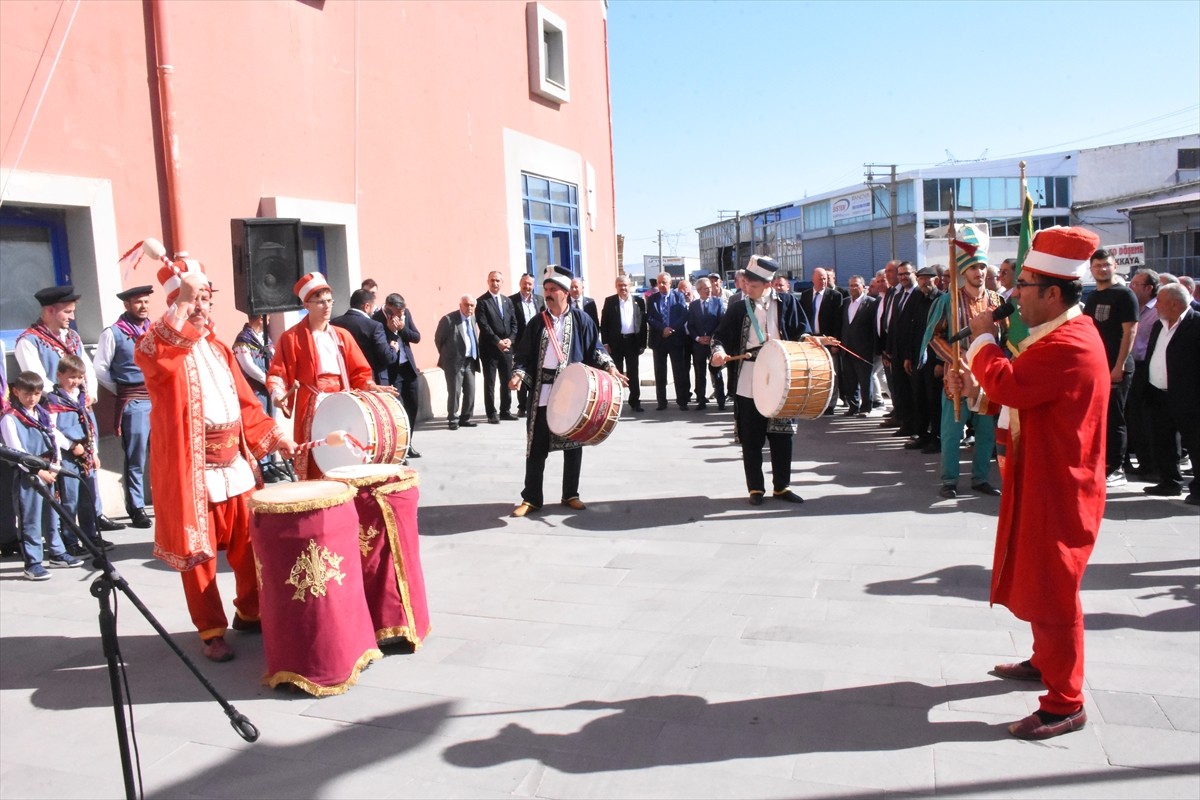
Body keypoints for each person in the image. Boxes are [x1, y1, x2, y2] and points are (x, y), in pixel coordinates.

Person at [948, 225, 1107, 740]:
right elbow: (1022, 396)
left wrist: (982, 339)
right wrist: (977, 388)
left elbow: (1012, 383)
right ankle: (1045, 661)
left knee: (1055, 589)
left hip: (1060, 486)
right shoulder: (1059, 336)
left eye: (1024, 287)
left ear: (1054, 293)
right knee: (1039, 576)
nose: (1014, 297)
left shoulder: (1070, 342)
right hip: (1042, 474)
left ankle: (1065, 702)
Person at [136, 267, 296, 661]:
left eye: (206, 300)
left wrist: (278, 437)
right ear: (176, 305)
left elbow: (246, 405)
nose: (201, 307)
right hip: (194, 471)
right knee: (200, 556)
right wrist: (183, 299)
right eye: (193, 301)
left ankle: (251, 612)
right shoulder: (160, 348)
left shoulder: (221, 350)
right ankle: (211, 631)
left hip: (235, 466)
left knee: (250, 545)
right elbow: (156, 355)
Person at [507, 265, 625, 517]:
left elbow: (596, 350)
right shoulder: (537, 323)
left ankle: (570, 493)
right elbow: (523, 356)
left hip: (572, 392)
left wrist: (611, 368)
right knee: (536, 447)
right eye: (546, 289)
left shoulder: (582, 320)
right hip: (542, 392)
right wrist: (518, 375)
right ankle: (531, 498)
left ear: (565, 293)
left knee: (573, 445)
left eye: (553, 289)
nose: (548, 294)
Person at [16, 285, 124, 532]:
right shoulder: (29, 341)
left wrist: (91, 393)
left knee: (89, 466)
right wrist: (67, 397)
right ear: (50, 311)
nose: (72, 316)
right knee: (67, 476)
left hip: (82, 412)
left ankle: (93, 521)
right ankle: (68, 533)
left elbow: (87, 368)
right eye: (67, 311)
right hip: (58, 416)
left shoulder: (73, 337)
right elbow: (38, 380)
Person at [710, 256, 813, 506]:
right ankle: (755, 488)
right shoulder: (738, 308)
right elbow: (719, 336)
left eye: (753, 285)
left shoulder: (788, 302)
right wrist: (718, 352)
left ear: (768, 284)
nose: (747, 289)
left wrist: (808, 338)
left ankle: (782, 486)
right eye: (745, 284)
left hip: (782, 376)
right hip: (749, 377)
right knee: (752, 437)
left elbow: (802, 329)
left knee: (782, 435)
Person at [266, 273, 387, 479]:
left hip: (341, 400)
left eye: (330, 301)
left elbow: (359, 372)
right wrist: (278, 395)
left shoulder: (342, 336)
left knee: (344, 454)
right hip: (312, 402)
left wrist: (369, 385)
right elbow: (278, 373)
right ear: (306, 305)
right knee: (317, 456)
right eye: (320, 302)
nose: (327, 306)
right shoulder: (291, 338)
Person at [922, 225, 1004, 498]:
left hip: (988, 375)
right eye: (973, 268)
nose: (979, 272)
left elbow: (1007, 337)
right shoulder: (948, 301)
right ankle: (949, 480)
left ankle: (981, 478)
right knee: (952, 431)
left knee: (986, 432)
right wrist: (958, 360)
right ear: (963, 271)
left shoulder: (996, 300)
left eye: (982, 267)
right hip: (957, 375)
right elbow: (934, 337)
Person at [1, 371, 83, 580]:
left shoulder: (43, 413)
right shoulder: (10, 419)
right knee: (30, 518)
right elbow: (17, 452)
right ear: (16, 392)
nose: (32, 398)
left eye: (37, 394)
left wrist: (55, 464)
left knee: (52, 514)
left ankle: (57, 552)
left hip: (49, 469)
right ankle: (32, 562)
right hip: (29, 474)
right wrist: (39, 471)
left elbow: (53, 437)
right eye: (27, 394)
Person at [94, 285, 155, 528]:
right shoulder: (113, 333)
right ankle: (137, 507)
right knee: (135, 457)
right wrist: (122, 389)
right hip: (134, 401)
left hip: (158, 400)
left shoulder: (153, 330)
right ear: (127, 305)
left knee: (162, 454)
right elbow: (100, 369)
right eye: (138, 302)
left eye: (146, 302)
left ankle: (162, 501)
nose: (143, 306)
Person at [47, 354, 115, 556]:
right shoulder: (53, 401)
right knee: (70, 500)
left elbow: (91, 427)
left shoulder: (82, 398)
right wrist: (71, 445)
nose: (75, 381)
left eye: (79, 377)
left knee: (89, 497)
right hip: (68, 455)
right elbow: (51, 429)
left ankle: (90, 535)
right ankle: (70, 540)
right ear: (59, 375)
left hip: (86, 454)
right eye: (71, 377)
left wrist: (94, 453)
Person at [1083, 249, 1139, 486]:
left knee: (1114, 419)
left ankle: (1116, 469)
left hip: (1117, 368)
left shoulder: (1125, 295)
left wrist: (1119, 366)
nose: (1102, 269)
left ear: (1115, 266)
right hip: (1096, 367)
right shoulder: (1093, 296)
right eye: (1097, 266)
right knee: (1098, 418)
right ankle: (1100, 464)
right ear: (1091, 269)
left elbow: (1130, 332)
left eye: (1106, 265)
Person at [1140, 283, 1200, 506]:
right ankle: (1169, 481)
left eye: (1160, 301)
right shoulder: (1159, 325)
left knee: (1195, 443)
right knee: (1163, 440)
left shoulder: (1196, 323)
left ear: (1174, 304)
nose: (1156, 306)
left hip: (1188, 396)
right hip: (1158, 392)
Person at [232, 312, 281, 479]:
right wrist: (266, 379)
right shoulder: (243, 340)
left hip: (268, 388)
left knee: (271, 422)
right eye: (267, 317)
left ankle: (271, 462)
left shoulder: (265, 339)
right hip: (255, 389)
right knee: (260, 423)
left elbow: (274, 359)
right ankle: (262, 464)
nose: (269, 320)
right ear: (261, 318)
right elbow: (248, 366)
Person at [374, 293, 423, 457]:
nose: (401, 314)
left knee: (412, 406)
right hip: (392, 372)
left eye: (403, 311)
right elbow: (381, 348)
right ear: (388, 307)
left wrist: (402, 328)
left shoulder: (405, 314)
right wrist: (392, 331)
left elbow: (416, 337)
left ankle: (408, 444)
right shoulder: (377, 319)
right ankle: (398, 449)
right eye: (398, 311)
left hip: (408, 368)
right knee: (397, 411)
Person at [600, 274, 648, 412]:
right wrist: (605, 343)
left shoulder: (639, 301)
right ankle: (617, 403)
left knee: (633, 373)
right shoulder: (610, 301)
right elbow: (604, 323)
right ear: (616, 287)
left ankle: (635, 402)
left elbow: (642, 324)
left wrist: (642, 343)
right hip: (615, 342)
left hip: (633, 341)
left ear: (630, 286)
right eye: (620, 285)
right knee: (616, 373)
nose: (623, 288)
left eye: (625, 285)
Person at [476, 271, 519, 424]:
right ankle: (491, 413)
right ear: (488, 281)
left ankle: (505, 411)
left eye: (498, 280)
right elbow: (484, 325)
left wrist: (510, 340)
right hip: (490, 349)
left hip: (506, 348)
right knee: (490, 381)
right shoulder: (482, 302)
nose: (495, 283)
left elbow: (514, 323)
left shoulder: (507, 301)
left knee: (506, 379)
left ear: (502, 282)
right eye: (492, 280)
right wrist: (497, 341)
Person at [434, 295, 481, 430]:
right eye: (466, 305)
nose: (469, 308)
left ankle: (466, 418)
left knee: (470, 391)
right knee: (455, 392)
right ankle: (453, 419)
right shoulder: (449, 319)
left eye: (472, 305)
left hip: (470, 361)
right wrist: (448, 357)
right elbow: (438, 340)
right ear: (460, 305)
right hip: (454, 362)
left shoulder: (473, 318)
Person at [331, 288, 396, 386]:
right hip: (372, 381)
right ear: (366, 306)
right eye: (373, 307)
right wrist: (393, 348)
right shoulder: (374, 326)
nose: (373, 311)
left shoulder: (334, 323)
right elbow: (387, 357)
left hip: (345, 379)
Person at [646, 272, 691, 410]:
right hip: (659, 340)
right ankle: (661, 402)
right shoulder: (652, 298)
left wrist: (671, 329)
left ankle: (682, 401)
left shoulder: (678, 296)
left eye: (664, 282)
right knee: (660, 373)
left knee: (679, 371)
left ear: (670, 283)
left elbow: (684, 315)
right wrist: (663, 329)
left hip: (675, 339)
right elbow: (650, 318)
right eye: (659, 282)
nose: (661, 285)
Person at [839, 275, 878, 416]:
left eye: (856, 285)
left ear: (863, 286)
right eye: (851, 285)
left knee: (865, 380)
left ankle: (866, 408)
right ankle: (853, 406)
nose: (853, 288)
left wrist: (875, 348)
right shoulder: (845, 303)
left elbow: (874, 327)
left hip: (863, 349)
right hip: (846, 348)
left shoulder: (871, 303)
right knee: (850, 380)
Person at [686, 277, 725, 411]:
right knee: (700, 373)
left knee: (716, 372)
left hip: (713, 344)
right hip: (699, 345)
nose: (708, 290)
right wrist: (698, 338)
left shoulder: (717, 302)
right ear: (698, 290)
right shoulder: (693, 305)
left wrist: (712, 338)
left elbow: (721, 322)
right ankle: (701, 400)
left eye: (709, 288)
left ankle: (721, 401)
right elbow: (691, 325)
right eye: (705, 288)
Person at [509, 273, 545, 417]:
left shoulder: (539, 300)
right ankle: (522, 406)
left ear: (533, 285)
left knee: (535, 373)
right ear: (520, 284)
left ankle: (534, 402)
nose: (527, 286)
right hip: (520, 343)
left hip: (537, 343)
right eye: (525, 283)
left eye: (530, 284)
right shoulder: (512, 301)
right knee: (520, 373)